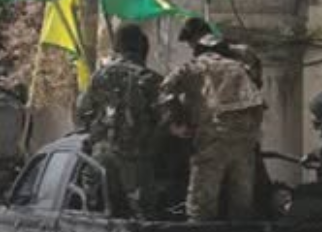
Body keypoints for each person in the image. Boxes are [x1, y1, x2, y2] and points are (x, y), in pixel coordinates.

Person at [159, 33, 265, 221]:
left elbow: (165, 91)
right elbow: (258, 92)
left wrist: (176, 123)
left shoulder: (194, 66)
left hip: (212, 137)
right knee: (242, 202)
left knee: (202, 204)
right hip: (245, 139)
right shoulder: (241, 67)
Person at [76, 25, 163, 217]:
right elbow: (165, 118)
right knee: (143, 217)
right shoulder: (150, 79)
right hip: (136, 159)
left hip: (100, 157)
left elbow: (82, 111)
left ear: (117, 47)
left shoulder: (99, 76)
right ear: (143, 48)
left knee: (96, 214)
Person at [179, 17, 262, 88]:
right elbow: (257, 82)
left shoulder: (203, 52)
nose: (190, 45)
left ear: (197, 35)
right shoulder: (243, 50)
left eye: (190, 40)